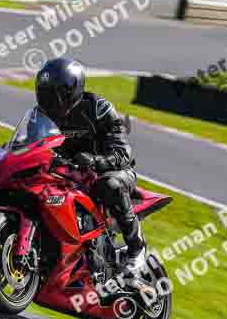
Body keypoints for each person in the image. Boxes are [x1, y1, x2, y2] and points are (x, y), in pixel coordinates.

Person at [34, 58, 147, 276]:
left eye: (55, 94)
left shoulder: (98, 109)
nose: (49, 100)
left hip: (114, 171)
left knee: (109, 184)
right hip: (71, 174)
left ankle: (136, 248)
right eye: (44, 93)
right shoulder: (41, 116)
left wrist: (96, 161)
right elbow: (31, 143)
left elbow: (122, 153)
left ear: (71, 90)